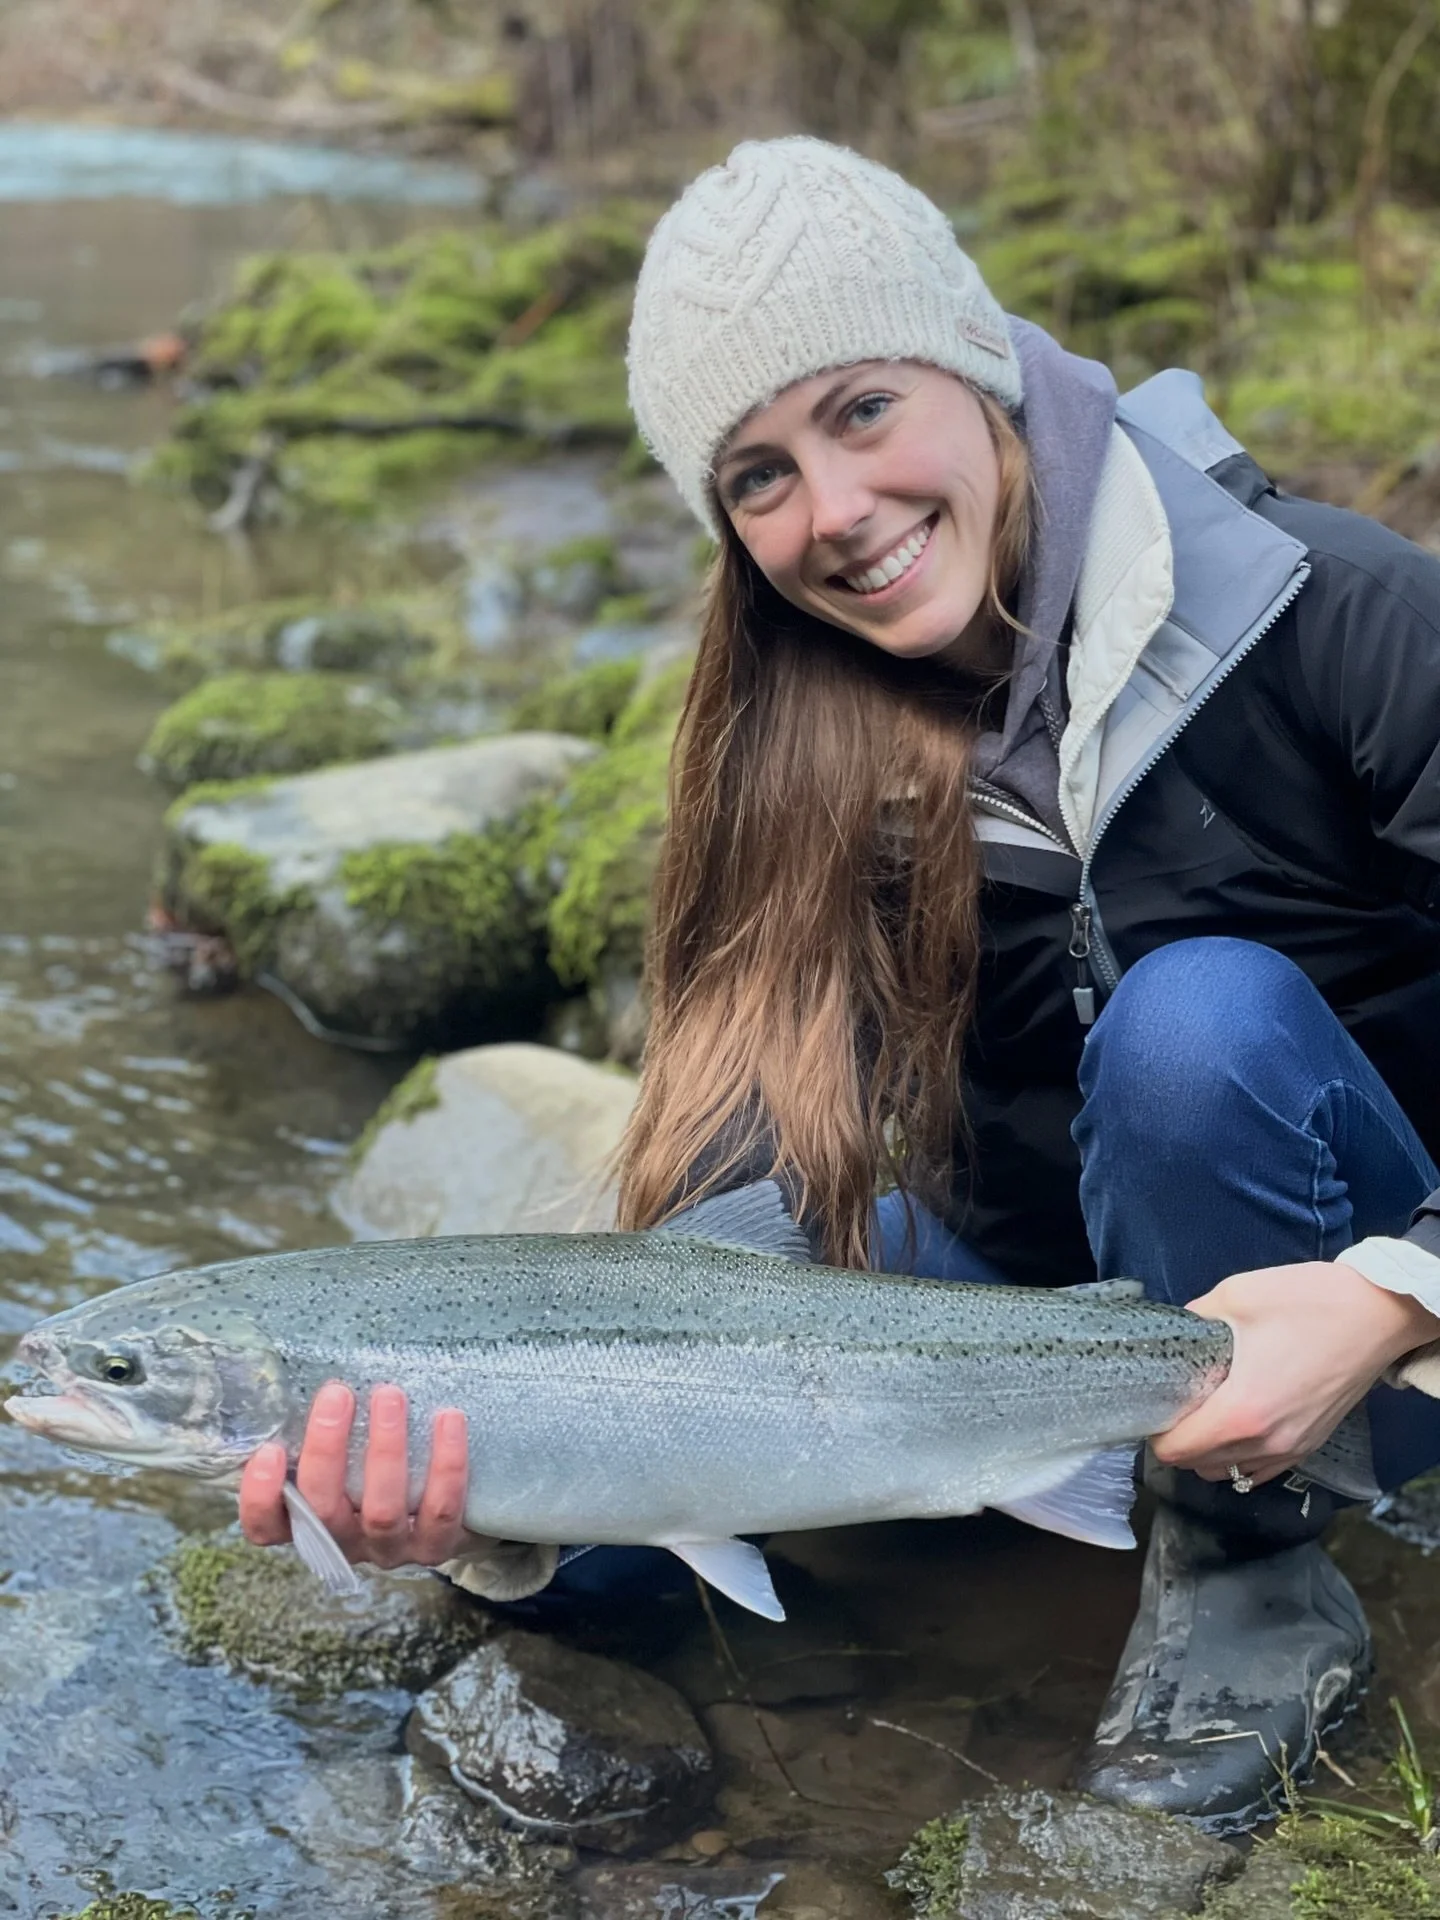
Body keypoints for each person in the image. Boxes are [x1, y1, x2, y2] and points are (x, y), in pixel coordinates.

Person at [239, 136, 1440, 1834]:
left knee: (1198, 1028)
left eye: (863, 410)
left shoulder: (1343, 615)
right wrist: (496, 1517)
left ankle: (1250, 1571)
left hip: (1375, 1346)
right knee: (582, 1482)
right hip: (1039, 1334)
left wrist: (1394, 1294)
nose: (836, 514)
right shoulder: (782, 749)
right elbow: (713, 1232)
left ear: (980, 366)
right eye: (760, 475)